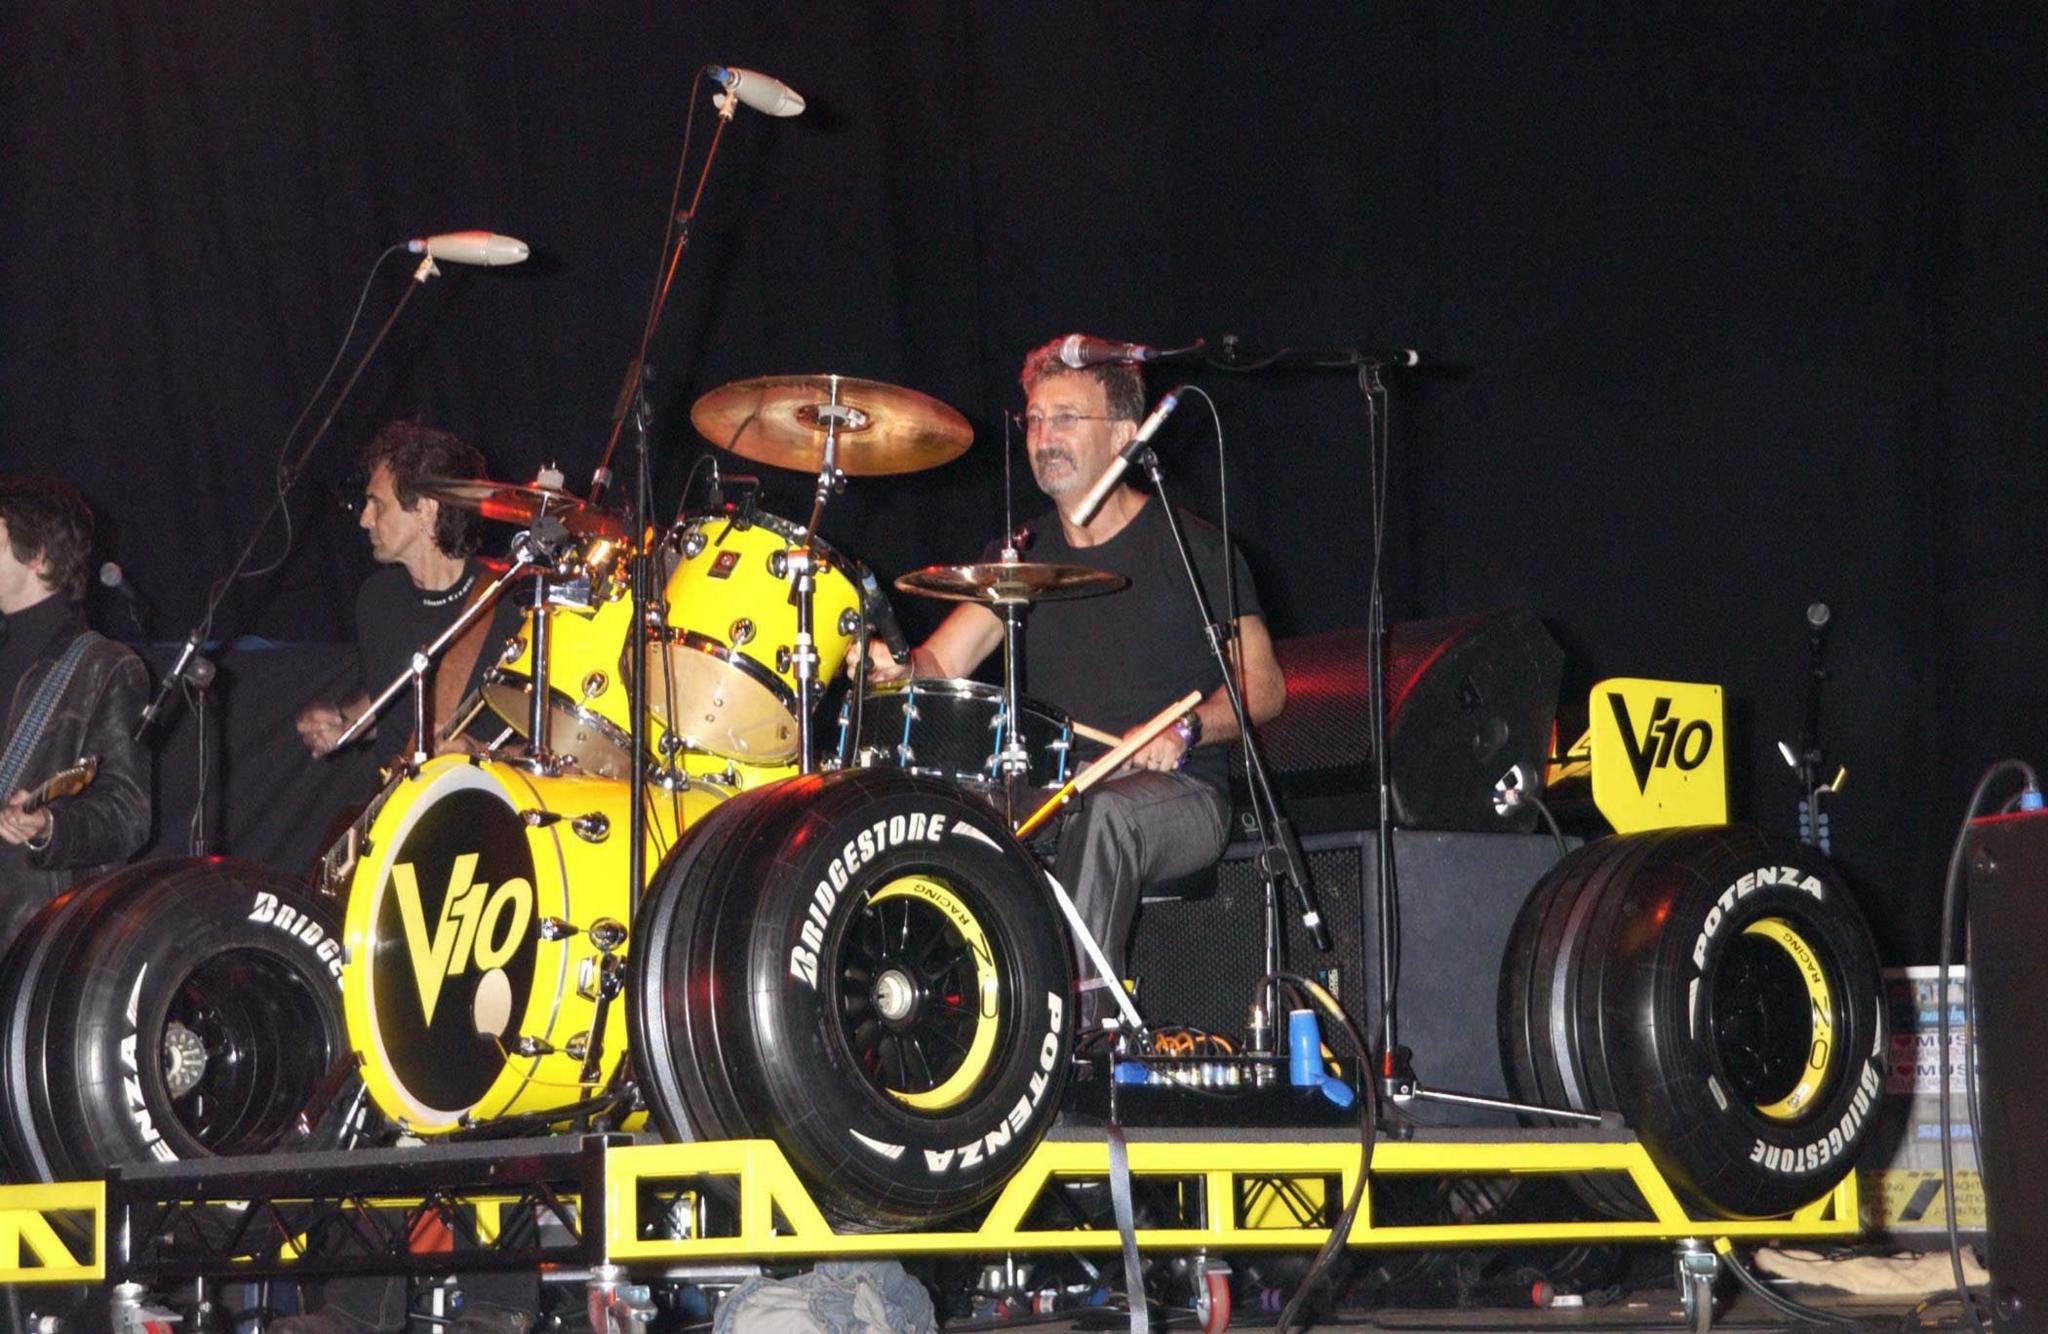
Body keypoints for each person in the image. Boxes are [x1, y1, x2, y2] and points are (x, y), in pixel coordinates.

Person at [859, 338, 1286, 1028]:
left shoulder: (1192, 545)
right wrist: (892, 668)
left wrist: (1184, 728)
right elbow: (938, 666)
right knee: (944, 809)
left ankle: (1071, 1037)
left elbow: (1263, 686)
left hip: (1182, 794)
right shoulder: (1023, 558)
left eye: (1065, 419)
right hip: (1060, 785)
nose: (1043, 437)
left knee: (1106, 816)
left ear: (1125, 435)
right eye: (1034, 419)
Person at [295, 422, 514, 761]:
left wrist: (482, 754)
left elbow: (561, 747)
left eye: (377, 504)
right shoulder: (377, 599)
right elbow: (390, 707)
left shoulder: (509, 603)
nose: (364, 519)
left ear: (426, 510)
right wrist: (346, 723)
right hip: (398, 804)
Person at [0, 475, 151, 960]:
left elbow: (127, 816)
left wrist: (49, 825)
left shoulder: (103, 666)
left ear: (38, 554)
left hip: (31, 939)